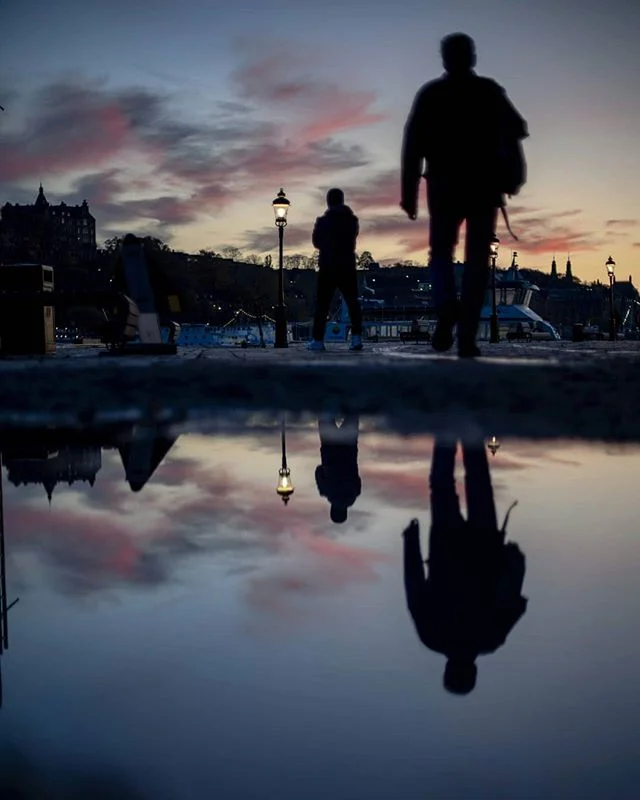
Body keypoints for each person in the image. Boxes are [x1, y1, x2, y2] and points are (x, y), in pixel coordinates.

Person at [401, 33, 528, 358]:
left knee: (441, 253)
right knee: (476, 261)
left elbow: (412, 146)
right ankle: (468, 334)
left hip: (443, 184)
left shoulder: (431, 94)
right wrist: (514, 176)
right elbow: (514, 135)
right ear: (472, 57)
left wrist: (410, 192)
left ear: (445, 59)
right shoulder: (489, 91)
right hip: (483, 185)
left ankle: (446, 306)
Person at [402, 437, 527, 695]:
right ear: (447, 669)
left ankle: (470, 431)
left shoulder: (491, 639)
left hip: (485, 548)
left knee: (479, 483)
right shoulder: (432, 637)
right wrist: (410, 540)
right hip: (445, 550)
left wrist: (512, 560)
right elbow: (414, 587)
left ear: (474, 671)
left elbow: (515, 600)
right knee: (442, 486)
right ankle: (447, 433)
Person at [308, 188, 364, 352]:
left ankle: (318, 340)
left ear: (328, 201)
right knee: (352, 302)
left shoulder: (322, 221)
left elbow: (316, 242)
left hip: (328, 265)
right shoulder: (352, 220)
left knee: (323, 304)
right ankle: (356, 338)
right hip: (347, 264)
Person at [315, 414, 362, 522]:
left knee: (352, 412)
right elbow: (318, 470)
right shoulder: (325, 490)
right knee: (325, 411)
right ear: (332, 510)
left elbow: (357, 478)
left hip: (349, 448)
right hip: (329, 448)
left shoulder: (355, 492)